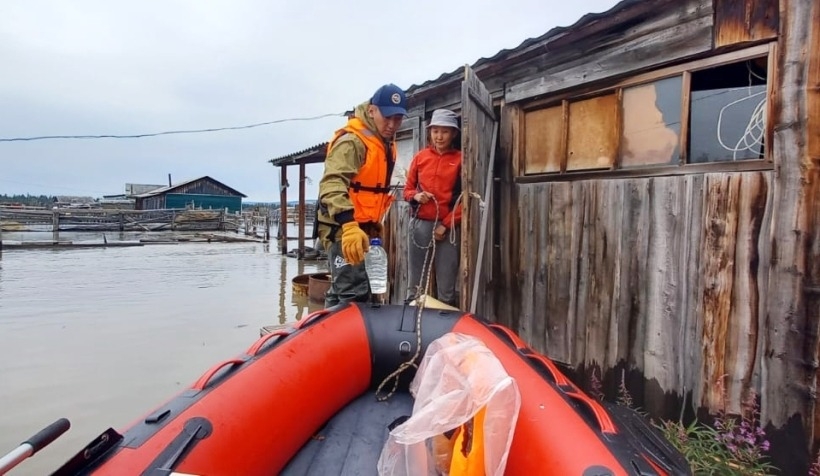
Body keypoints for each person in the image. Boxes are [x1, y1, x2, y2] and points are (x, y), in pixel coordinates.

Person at [316, 83, 407, 307]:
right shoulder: (353, 141)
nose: (392, 125)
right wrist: (348, 226)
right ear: (372, 110)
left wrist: (372, 222)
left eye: (398, 119)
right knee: (354, 294)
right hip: (343, 228)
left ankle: (328, 335)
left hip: (364, 227)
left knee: (346, 290)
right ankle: (346, 339)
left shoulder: (383, 141)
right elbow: (332, 184)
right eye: (387, 117)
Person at [403, 108, 462, 307]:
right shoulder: (420, 157)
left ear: (454, 133)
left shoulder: (461, 159)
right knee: (415, 279)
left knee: (447, 279)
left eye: (445, 131)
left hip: (447, 228)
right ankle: (411, 321)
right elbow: (407, 190)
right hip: (419, 225)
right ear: (430, 132)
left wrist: (446, 224)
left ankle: (446, 325)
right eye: (435, 131)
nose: (439, 136)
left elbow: (465, 199)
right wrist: (416, 196)